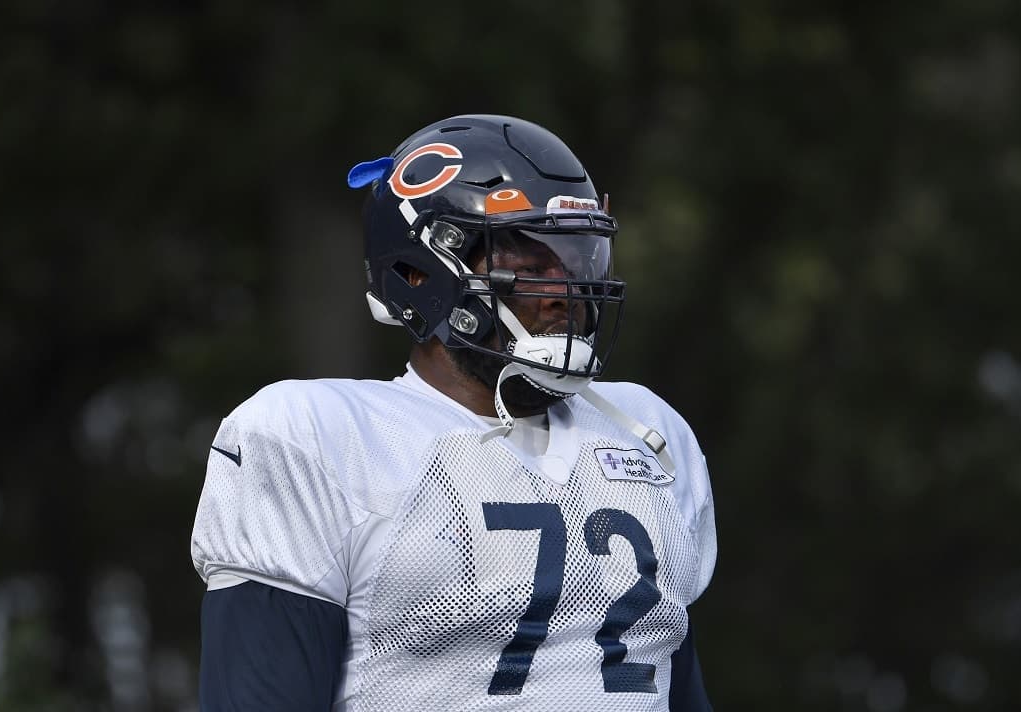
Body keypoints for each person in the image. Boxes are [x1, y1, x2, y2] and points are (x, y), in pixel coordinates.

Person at [191, 114, 717, 711]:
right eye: (530, 263)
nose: (563, 291)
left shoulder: (647, 432)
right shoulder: (324, 438)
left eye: (575, 259)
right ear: (420, 273)